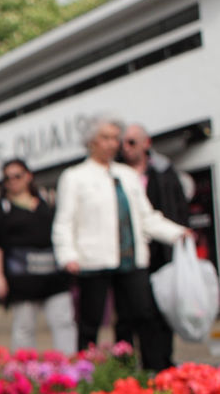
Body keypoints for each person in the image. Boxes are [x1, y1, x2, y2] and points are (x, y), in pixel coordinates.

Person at [51, 115, 190, 370]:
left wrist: (177, 233)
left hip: (131, 260)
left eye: (115, 138)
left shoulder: (126, 175)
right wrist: (67, 254)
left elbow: (146, 217)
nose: (112, 144)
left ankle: (154, 370)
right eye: (106, 137)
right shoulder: (75, 177)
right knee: (90, 322)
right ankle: (87, 373)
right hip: (93, 261)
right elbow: (64, 222)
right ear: (92, 141)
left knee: (143, 315)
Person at [115, 123, 191, 365]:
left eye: (132, 142)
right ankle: (125, 367)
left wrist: (178, 234)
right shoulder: (116, 174)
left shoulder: (164, 171)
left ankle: (160, 363)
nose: (126, 148)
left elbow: (177, 209)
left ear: (146, 143)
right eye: (123, 143)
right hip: (129, 255)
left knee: (160, 311)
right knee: (129, 314)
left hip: (161, 253)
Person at [0, 159, 76, 354]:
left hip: (54, 274)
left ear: (28, 176)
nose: (13, 181)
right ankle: (25, 371)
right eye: (8, 178)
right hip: (22, 278)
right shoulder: (0, 209)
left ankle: (70, 365)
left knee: (63, 321)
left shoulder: (47, 200)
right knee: (24, 326)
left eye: (17, 176)